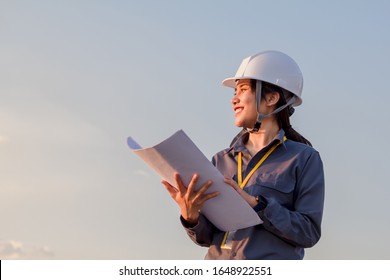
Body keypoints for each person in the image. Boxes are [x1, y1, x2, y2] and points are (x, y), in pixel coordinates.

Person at [162, 50, 325, 260]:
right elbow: (207, 237)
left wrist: (257, 204)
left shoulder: (304, 159)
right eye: (234, 93)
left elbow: (308, 232)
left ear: (272, 98)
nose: (234, 100)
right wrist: (191, 217)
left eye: (243, 90)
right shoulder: (221, 160)